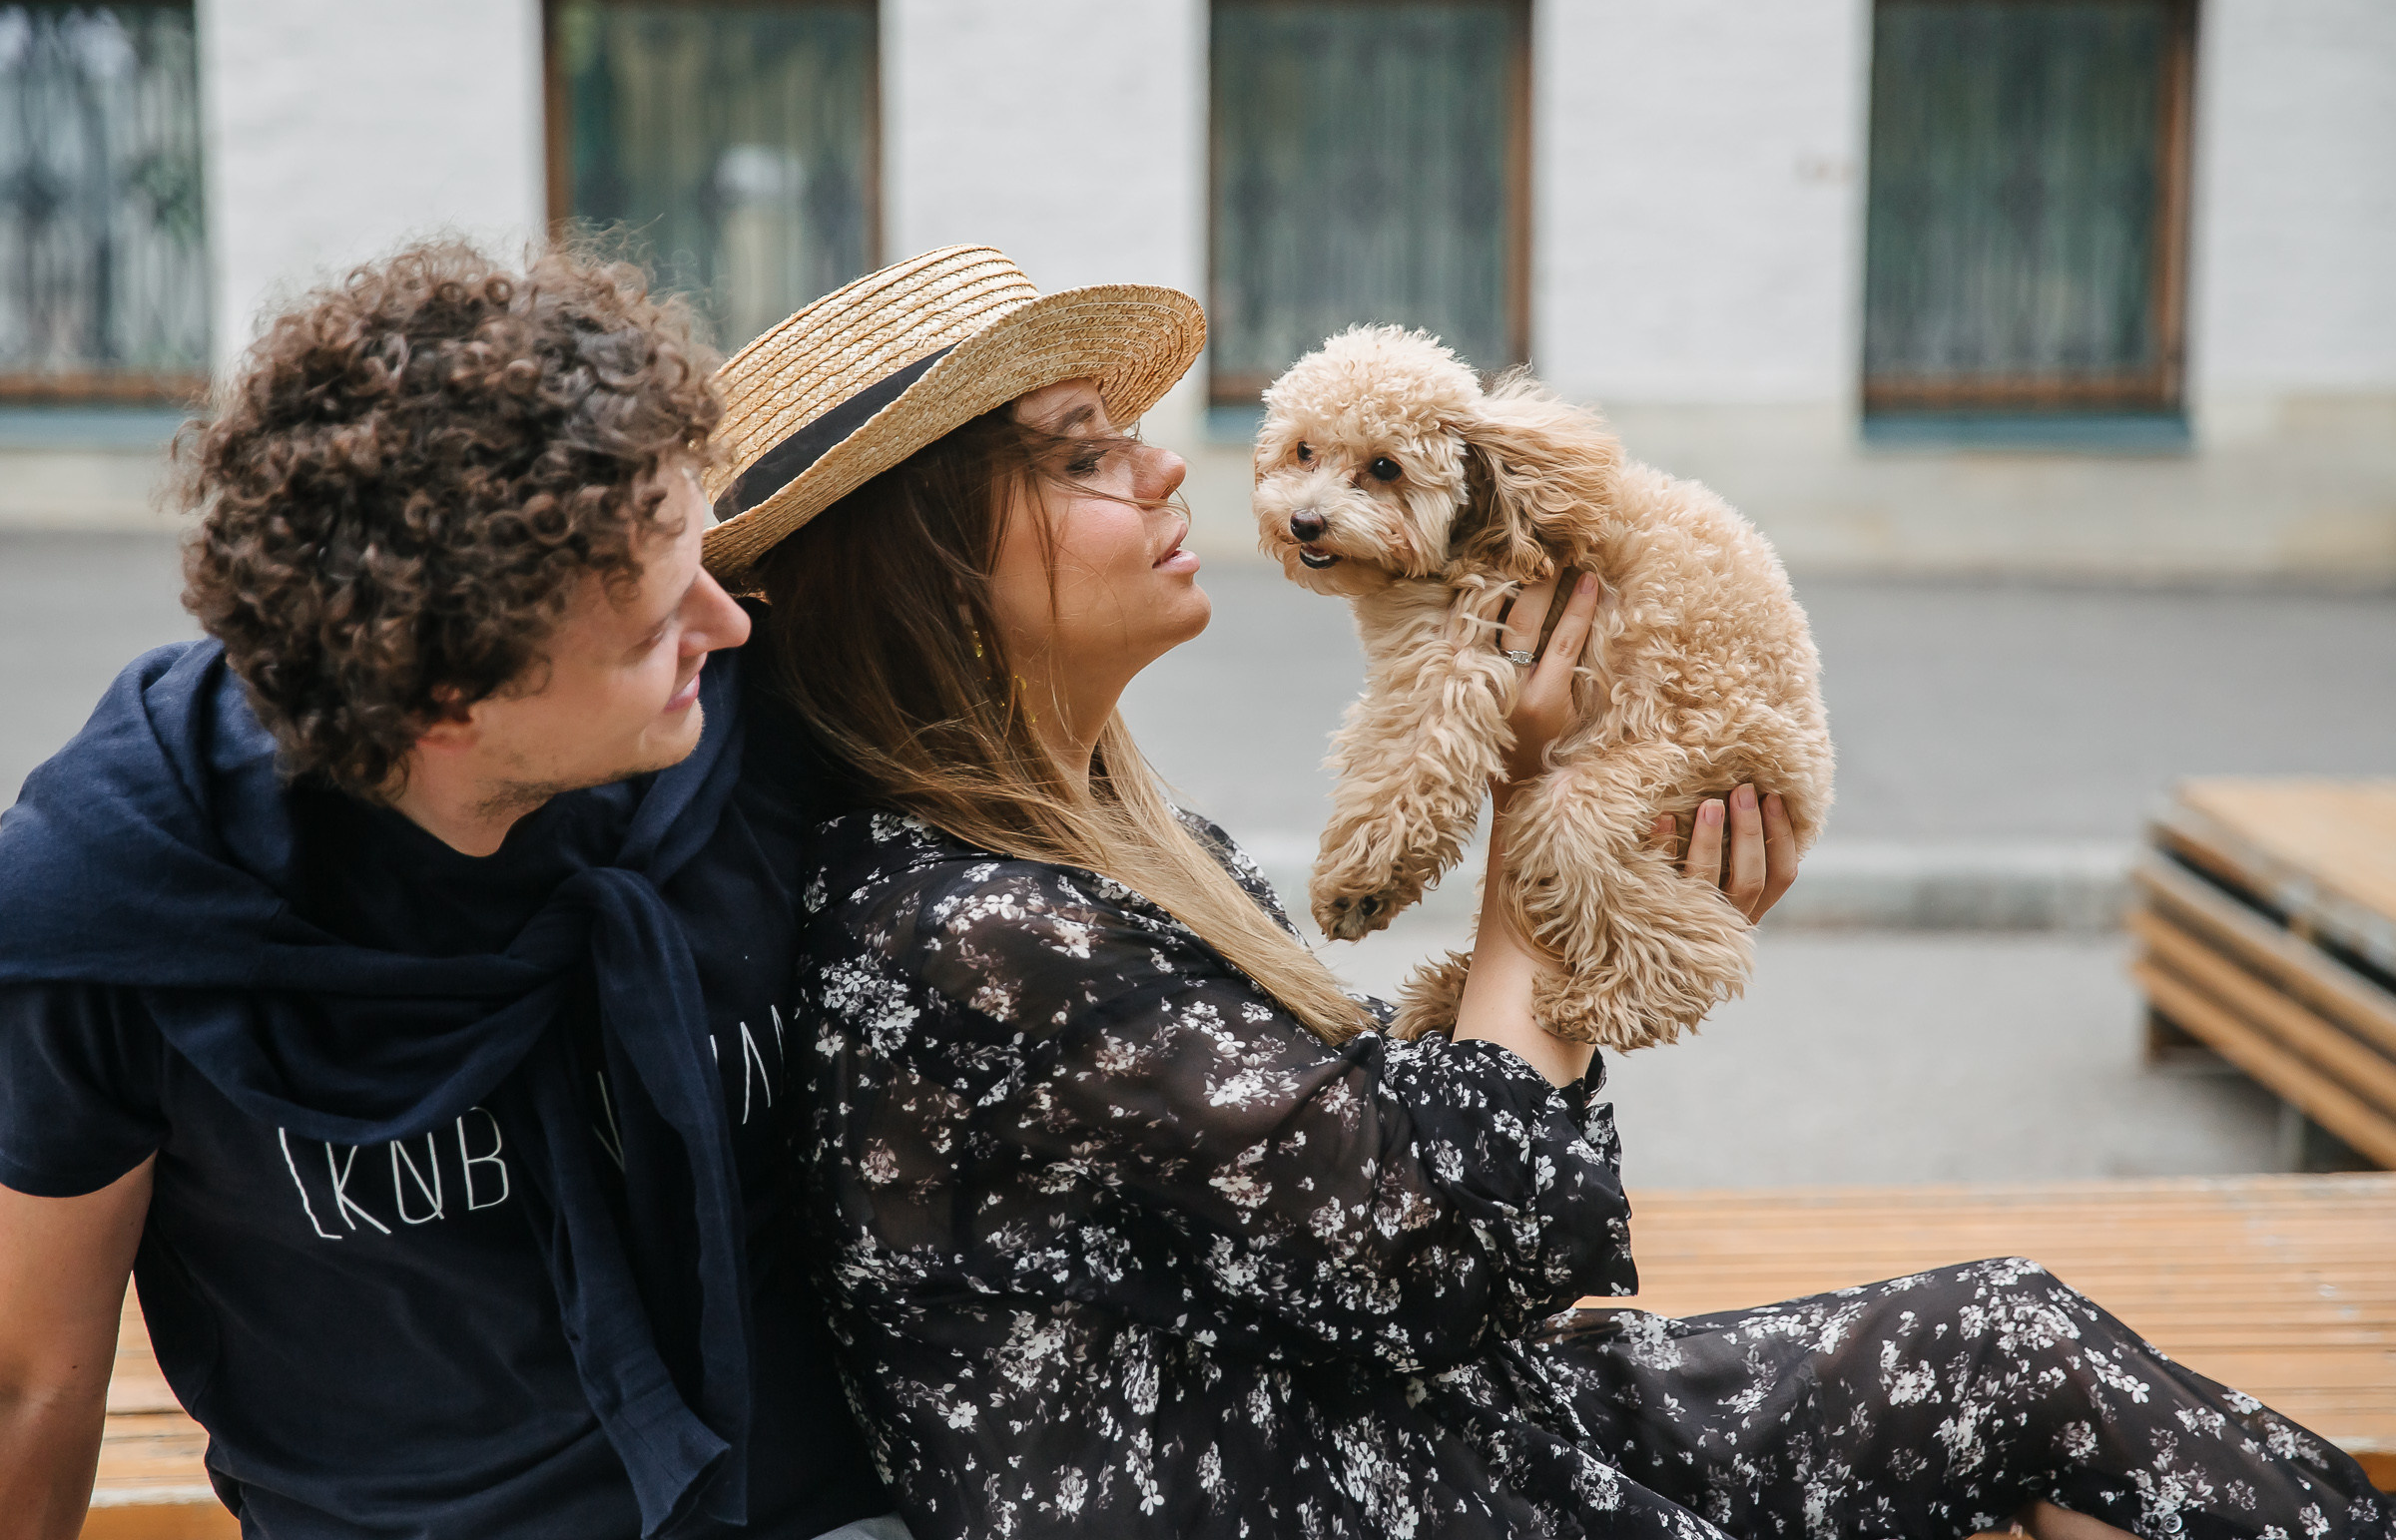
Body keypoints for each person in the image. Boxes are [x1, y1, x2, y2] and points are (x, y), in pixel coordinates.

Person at [703, 246, 2395, 1540]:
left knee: (2015, 1339)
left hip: (1390, 1432)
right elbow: (1458, 1246)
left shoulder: (1084, 845)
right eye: (1078, 456)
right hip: (1350, 1485)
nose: (1163, 471)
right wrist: (1532, 865)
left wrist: (1620, 885)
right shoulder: (969, 928)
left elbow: (1366, 1181)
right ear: (926, 563)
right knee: (2018, 1370)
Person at [0, 243, 898, 1539]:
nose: (729, 625)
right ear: (445, 702)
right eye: (654, 630)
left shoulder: (753, 737)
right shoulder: (116, 903)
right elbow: (33, 1381)